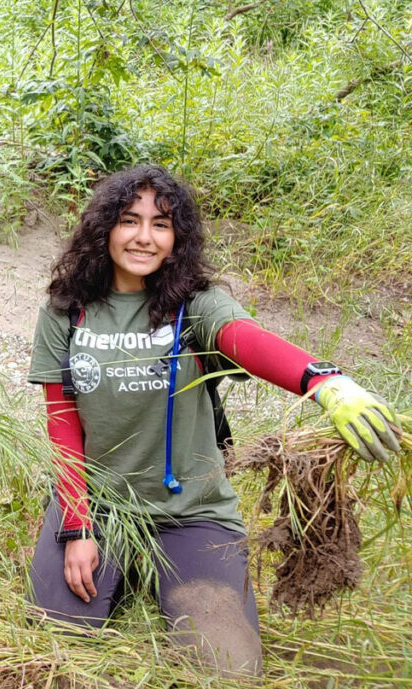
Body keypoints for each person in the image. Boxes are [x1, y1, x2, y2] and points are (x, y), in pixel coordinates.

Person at [26, 164, 402, 677]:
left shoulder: (195, 305)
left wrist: (323, 381)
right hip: (104, 507)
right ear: (104, 227)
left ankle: (164, 571)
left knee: (229, 671)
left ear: (177, 237)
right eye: (129, 220)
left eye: (160, 224)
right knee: (56, 646)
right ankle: (127, 573)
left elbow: (242, 337)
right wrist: (76, 527)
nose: (143, 237)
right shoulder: (67, 310)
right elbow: (63, 426)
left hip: (191, 513)